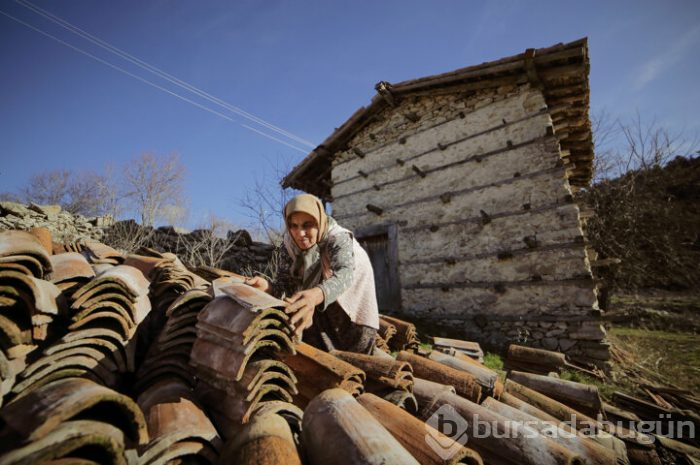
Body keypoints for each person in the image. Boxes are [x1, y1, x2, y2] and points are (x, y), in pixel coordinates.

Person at [245, 194, 379, 354]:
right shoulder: (289, 244)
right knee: (318, 354)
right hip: (317, 300)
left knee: (356, 356)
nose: (300, 233)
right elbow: (284, 285)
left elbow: (345, 274)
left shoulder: (338, 237)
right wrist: (268, 286)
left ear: (319, 222)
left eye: (307, 225)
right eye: (293, 225)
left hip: (350, 300)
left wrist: (316, 295)